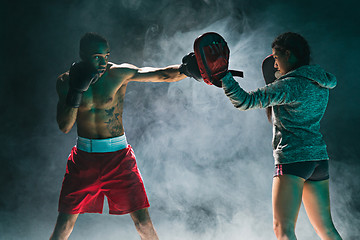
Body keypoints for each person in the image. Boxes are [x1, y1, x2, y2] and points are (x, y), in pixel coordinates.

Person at [191, 32, 342, 240]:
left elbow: (245, 101)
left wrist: (225, 76)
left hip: (294, 160)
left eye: (276, 57)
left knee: (283, 230)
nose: (274, 65)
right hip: (318, 160)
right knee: (326, 230)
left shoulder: (290, 85)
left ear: (288, 54)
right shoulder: (320, 82)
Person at [50, 32, 187, 240]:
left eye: (106, 55)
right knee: (63, 227)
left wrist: (190, 70)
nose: (103, 61)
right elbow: (65, 126)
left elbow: (161, 74)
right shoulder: (66, 81)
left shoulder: (118, 73)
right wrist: (76, 92)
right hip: (84, 159)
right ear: (82, 55)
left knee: (143, 224)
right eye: (97, 56)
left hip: (119, 159)